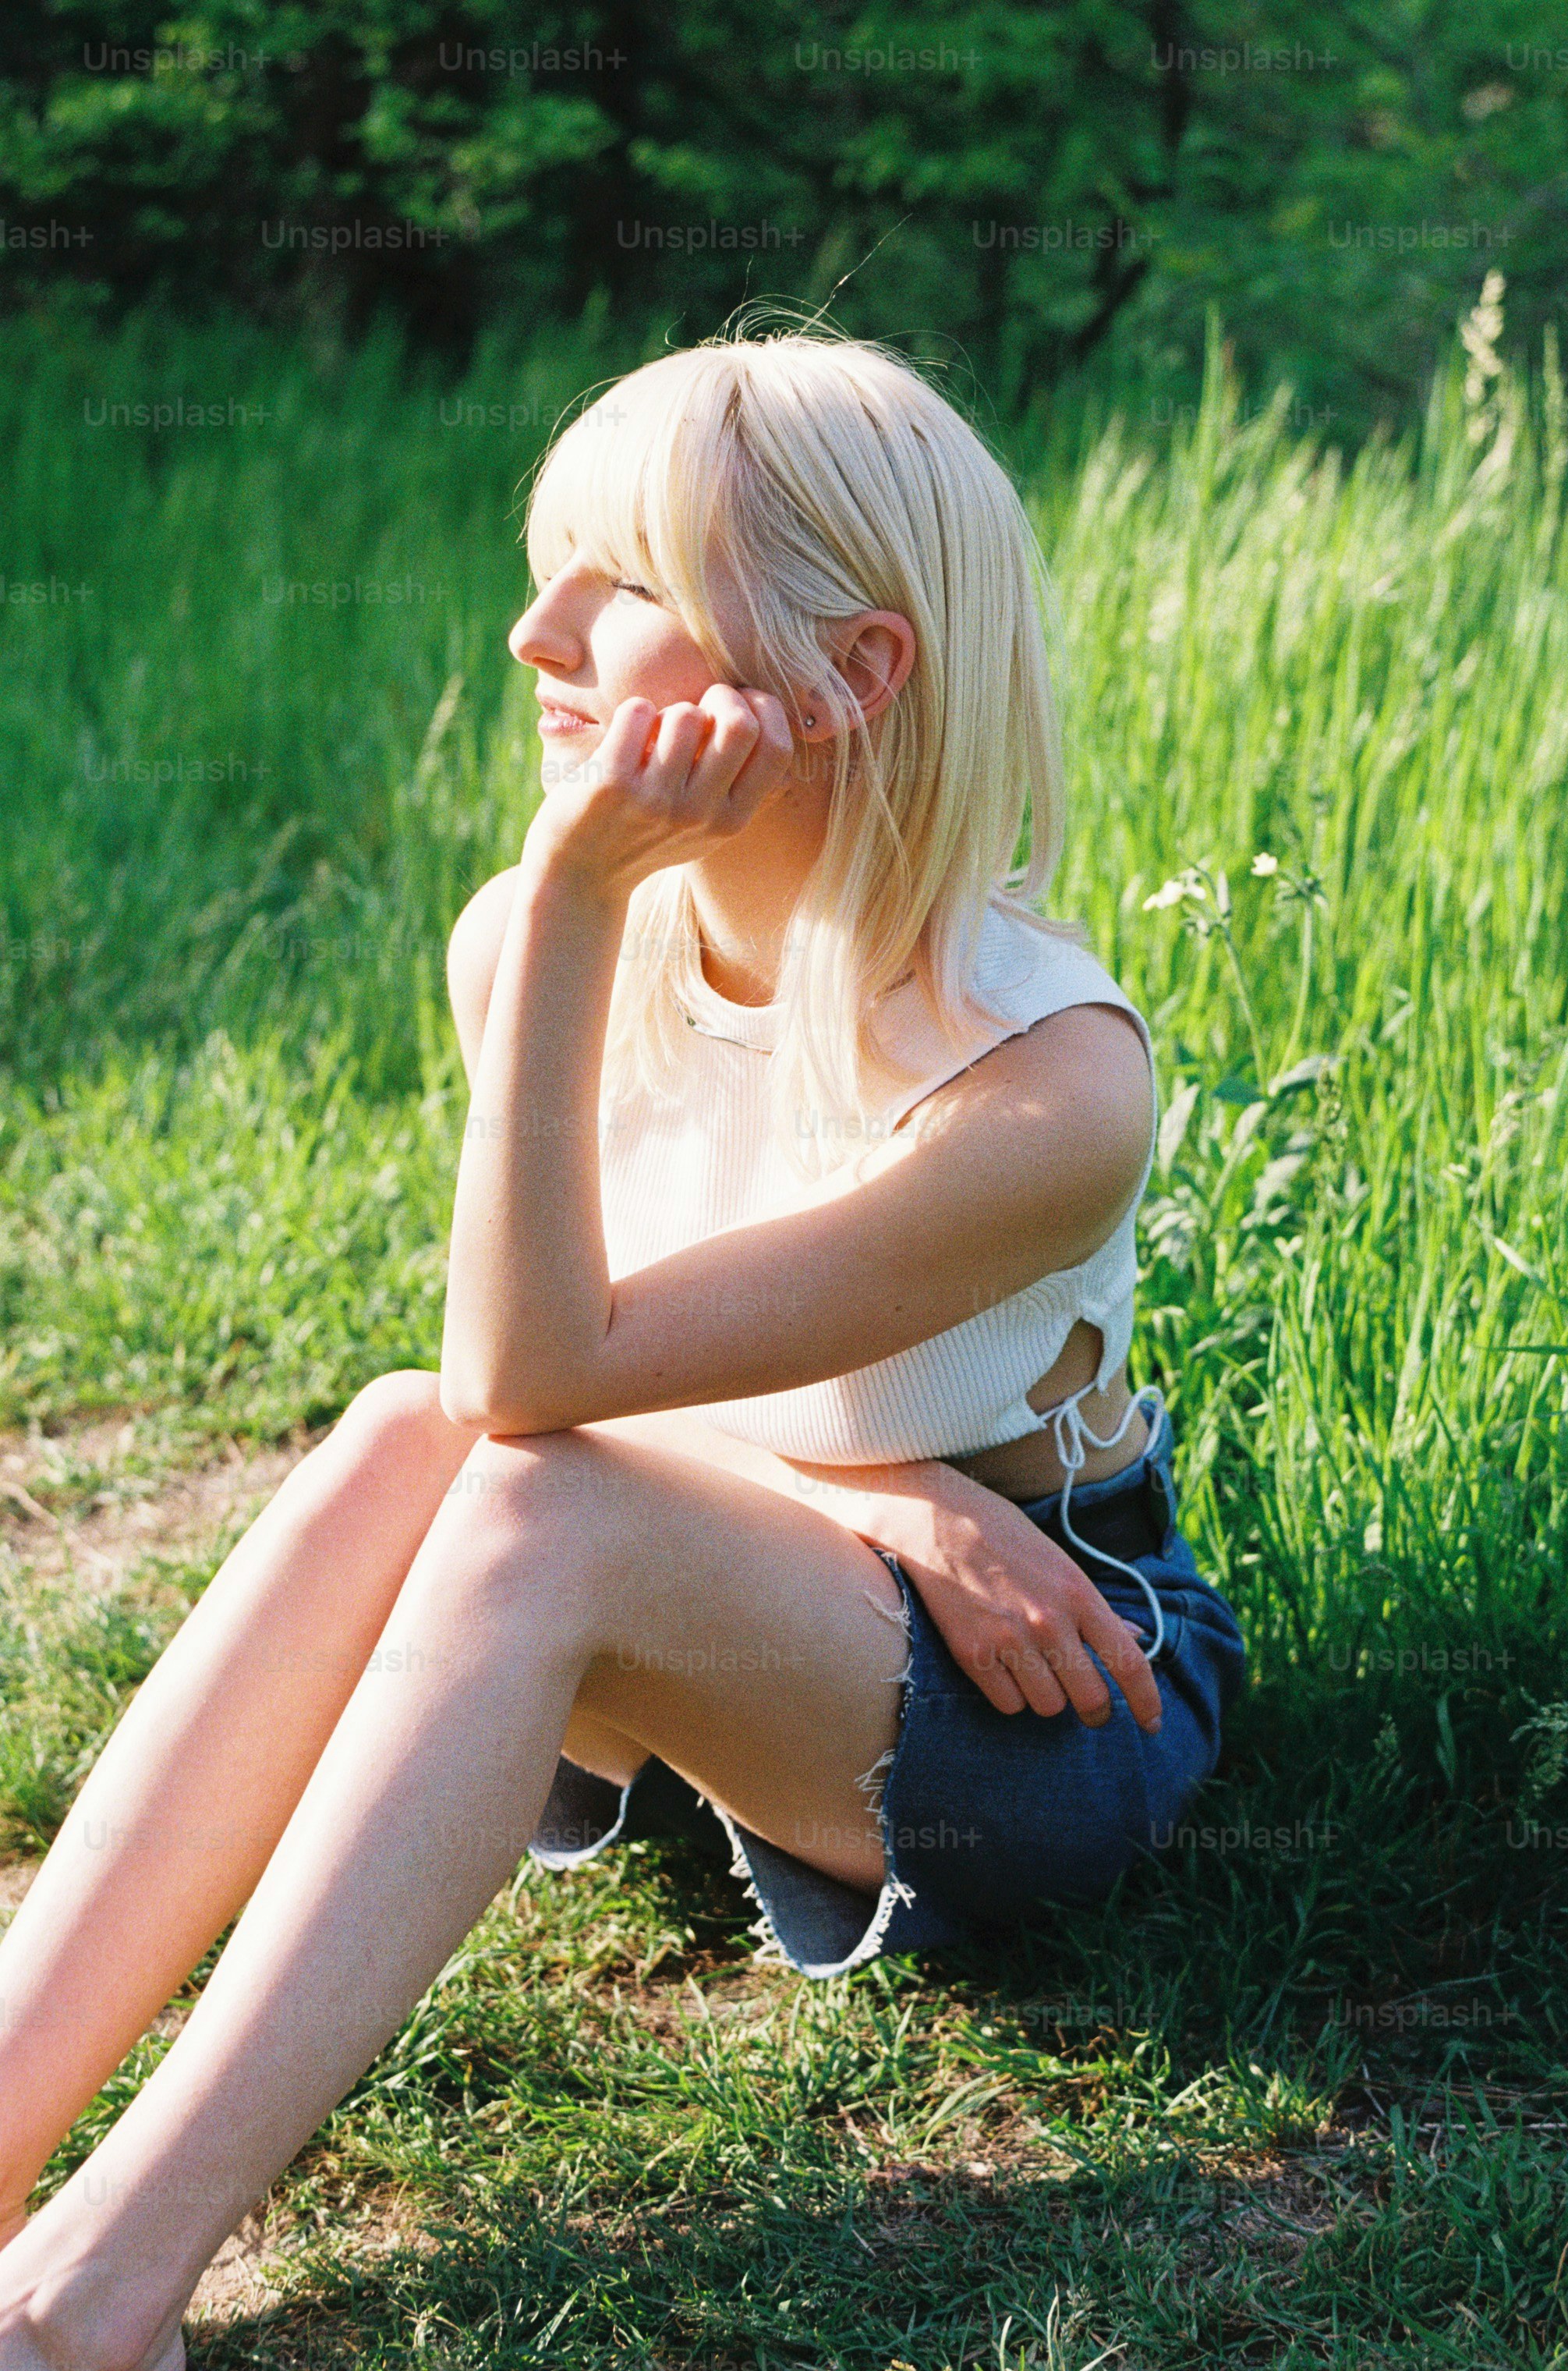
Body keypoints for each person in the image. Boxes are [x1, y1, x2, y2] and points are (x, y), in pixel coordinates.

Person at [0, 326, 1244, 2369]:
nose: (530, 633)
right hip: (788, 1588)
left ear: (850, 673)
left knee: (516, 1496)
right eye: (544, 561)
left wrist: (581, 894)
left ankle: (83, 2301)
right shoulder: (530, 937)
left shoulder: (1042, 1077)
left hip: (1057, 1692)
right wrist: (872, 1477)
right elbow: (506, 1379)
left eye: (618, 580)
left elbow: (542, 1384)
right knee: (408, 1437)